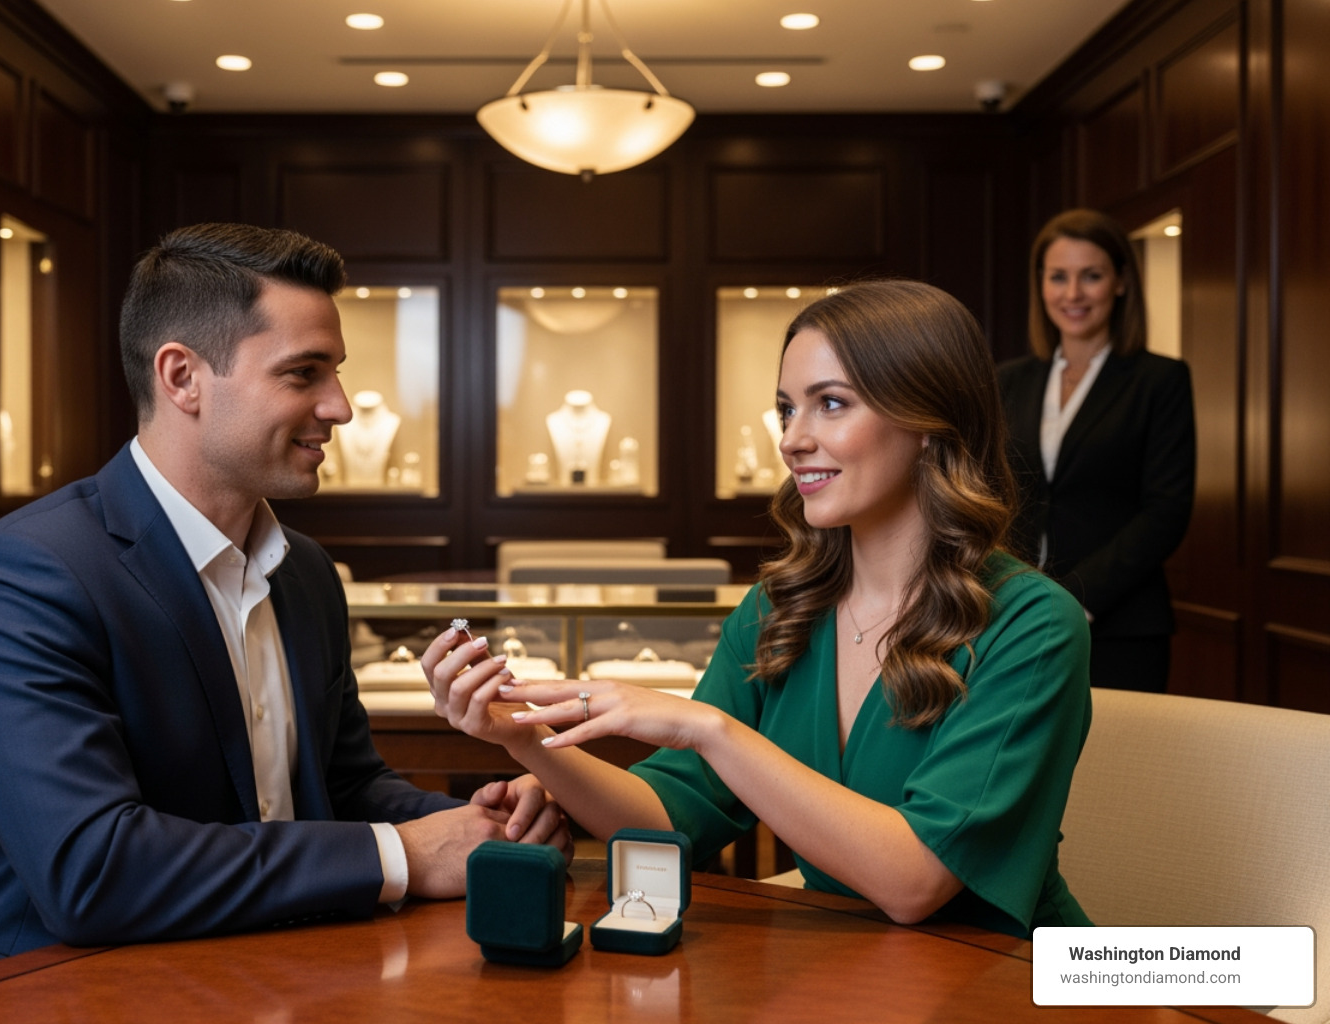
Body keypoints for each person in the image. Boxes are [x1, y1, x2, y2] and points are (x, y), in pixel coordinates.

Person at [0, 224, 569, 979]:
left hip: (265, 972)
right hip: (45, 988)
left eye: (335, 373)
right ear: (182, 378)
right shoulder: (26, 573)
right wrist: (403, 854)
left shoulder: (308, 573)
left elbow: (345, 787)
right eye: (303, 374)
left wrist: (478, 823)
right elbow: (91, 871)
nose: (341, 407)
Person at [423, 280, 1093, 937]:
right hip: (851, 971)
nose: (792, 438)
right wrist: (525, 739)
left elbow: (915, 881)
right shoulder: (780, 609)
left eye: (831, 404)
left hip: (1024, 974)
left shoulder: (1033, 624)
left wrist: (708, 729)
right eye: (787, 409)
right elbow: (670, 816)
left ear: (928, 422)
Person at [999, 209, 1196, 693]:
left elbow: (1166, 510)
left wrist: (1074, 597)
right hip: (1016, 618)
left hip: (1119, 624)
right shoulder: (1009, 381)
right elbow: (993, 491)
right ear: (1040, 285)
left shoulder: (1160, 381)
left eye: (1091, 276)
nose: (1073, 293)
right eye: (1058, 277)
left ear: (1121, 281)